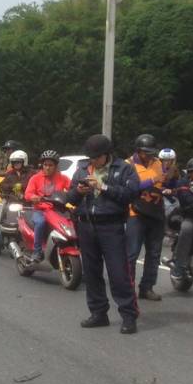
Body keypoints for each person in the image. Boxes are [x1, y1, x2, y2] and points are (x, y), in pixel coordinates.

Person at [67, 134, 140, 334]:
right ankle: (99, 313)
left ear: (106, 155)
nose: (93, 161)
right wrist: (79, 191)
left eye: (96, 157)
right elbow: (70, 197)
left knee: (119, 273)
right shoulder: (82, 169)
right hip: (86, 225)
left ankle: (128, 316)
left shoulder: (124, 168)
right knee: (91, 273)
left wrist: (102, 187)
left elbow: (131, 194)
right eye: (90, 157)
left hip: (112, 226)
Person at [126, 134, 167, 302]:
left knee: (154, 253)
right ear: (138, 151)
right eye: (145, 152)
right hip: (136, 213)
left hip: (156, 212)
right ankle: (128, 287)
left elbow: (165, 183)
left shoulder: (158, 163)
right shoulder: (128, 165)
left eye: (151, 152)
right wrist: (152, 179)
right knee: (132, 253)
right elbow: (130, 186)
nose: (149, 156)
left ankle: (147, 287)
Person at [23, 150, 71, 262]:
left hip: (58, 210)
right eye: (45, 165)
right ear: (42, 165)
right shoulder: (35, 178)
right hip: (40, 210)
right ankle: (37, 251)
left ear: (56, 166)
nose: (48, 168)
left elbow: (72, 190)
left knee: (72, 222)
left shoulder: (63, 178)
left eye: (51, 165)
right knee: (40, 223)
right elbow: (28, 194)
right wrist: (33, 197)